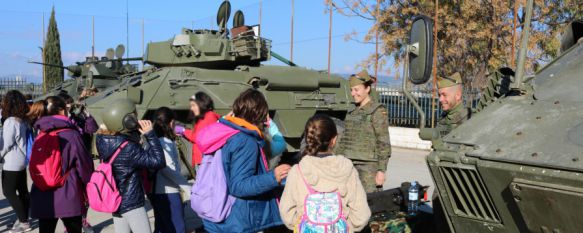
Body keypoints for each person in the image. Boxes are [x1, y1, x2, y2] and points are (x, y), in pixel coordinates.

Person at [197, 89, 291, 233]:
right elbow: (239, 185)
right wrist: (273, 177)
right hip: (234, 220)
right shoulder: (246, 141)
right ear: (261, 113)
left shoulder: (224, 132)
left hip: (217, 212)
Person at [279, 114, 371, 232]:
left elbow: (286, 211)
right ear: (334, 140)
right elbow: (361, 215)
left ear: (308, 139)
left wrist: (303, 225)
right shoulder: (347, 170)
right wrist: (346, 227)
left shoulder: (297, 171)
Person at [95, 98, 165, 233]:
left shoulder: (103, 140)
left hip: (116, 199)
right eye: (134, 116)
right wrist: (150, 134)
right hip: (131, 202)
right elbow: (158, 161)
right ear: (127, 121)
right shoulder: (128, 148)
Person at [30, 96, 95, 233]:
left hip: (43, 190)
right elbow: (84, 165)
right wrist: (88, 186)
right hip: (68, 190)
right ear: (61, 110)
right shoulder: (72, 134)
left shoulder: (41, 133)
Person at [335, 70, 391, 193]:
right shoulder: (351, 111)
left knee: (369, 204)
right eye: (351, 90)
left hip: (369, 168)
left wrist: (381, 171)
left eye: (356, 90)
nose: (353, 93)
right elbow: (343, 139)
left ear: (367, 89)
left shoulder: (377, 111)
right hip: (349, 164)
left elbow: (383, 143)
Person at [151, 107, 191, 233]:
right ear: (171, 123)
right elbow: (168, 169)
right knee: (177, 228)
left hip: (158, 192)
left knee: (161, 228)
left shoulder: (154, 141)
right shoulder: (165, 142)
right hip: (169, 192)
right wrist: (188, 187)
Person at [0, 90, 31, 233]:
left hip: (11, 161)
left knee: (9, 192)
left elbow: (6, 143)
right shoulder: (23, 120)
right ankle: (23, 218)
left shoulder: (10, 121)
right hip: (22, 160)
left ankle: (24, 222)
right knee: (22, 191)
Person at [175, 91, 220, 168]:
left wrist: (183, 131)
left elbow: (198, 137)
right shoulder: (205, 117)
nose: (191, 108)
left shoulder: (209, 117)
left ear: (201, 104)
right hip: (202, 159)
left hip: (205, 161)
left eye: (193, 105)